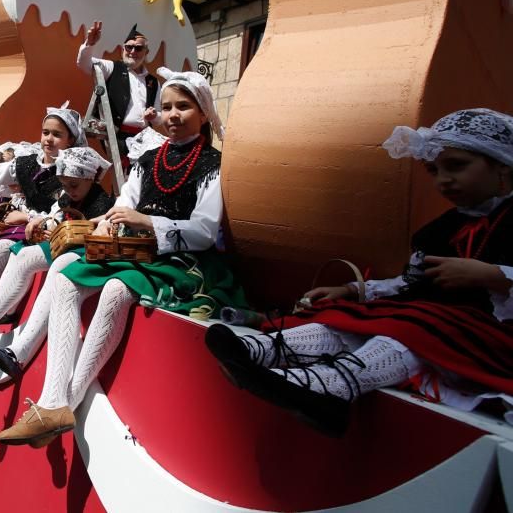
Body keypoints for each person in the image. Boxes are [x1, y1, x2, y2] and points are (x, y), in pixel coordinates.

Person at [205, 108, 513, 436]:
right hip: (433, 320)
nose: (443, 180)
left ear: (502, 165)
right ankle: (261, 351)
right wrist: (353, 290)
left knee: (412, 331)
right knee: (357, 319)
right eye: (433, 170)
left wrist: (494, 275)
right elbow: (409, 282)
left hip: (487, 335)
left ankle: (330, 387)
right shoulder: (438, 230)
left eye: (457, 166)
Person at [0, 69, 247, 447]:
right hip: (132, 250)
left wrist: (147, 220)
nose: (173, 115)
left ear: (203, 112)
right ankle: (52, 402)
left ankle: (67, 402)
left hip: (180, 260)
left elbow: (204, 231)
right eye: (166, 107)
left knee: (116, 288)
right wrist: (104, 224)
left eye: (183, 106)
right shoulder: (148, 160)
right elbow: (124, 203)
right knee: (64, 276)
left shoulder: (212, 164)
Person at [0, 146, 114, 357]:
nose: (70, 190)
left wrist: (38, 220)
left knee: (51, 270)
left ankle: (15, 345)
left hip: (82, 251)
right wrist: (41, 222)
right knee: (20, 254)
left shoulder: (101, 200)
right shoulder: (67, 196)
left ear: (90, 178)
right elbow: (56, 214)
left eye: (73, 184)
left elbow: (99, 226)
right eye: (65, 185)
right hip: (61, 245)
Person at [0, 105, 90, 321]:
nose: (48, 139)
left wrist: (28, 218)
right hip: (21, 222)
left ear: (71, 140)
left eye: (57, 135)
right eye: (46, 132)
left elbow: (62, 207)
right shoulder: (28, 162)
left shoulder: (72, 169)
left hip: (45, 228)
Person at [77, 21, 161, 162]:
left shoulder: (153, 81)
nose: (133, 52)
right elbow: (84, 64)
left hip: (145, 139)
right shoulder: (111, 68)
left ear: (146, 52)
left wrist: (154, 116)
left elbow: (160, 117)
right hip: (118, 138)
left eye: (138, 48)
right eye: (129, 47)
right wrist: (89, 43)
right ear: (123, 49)